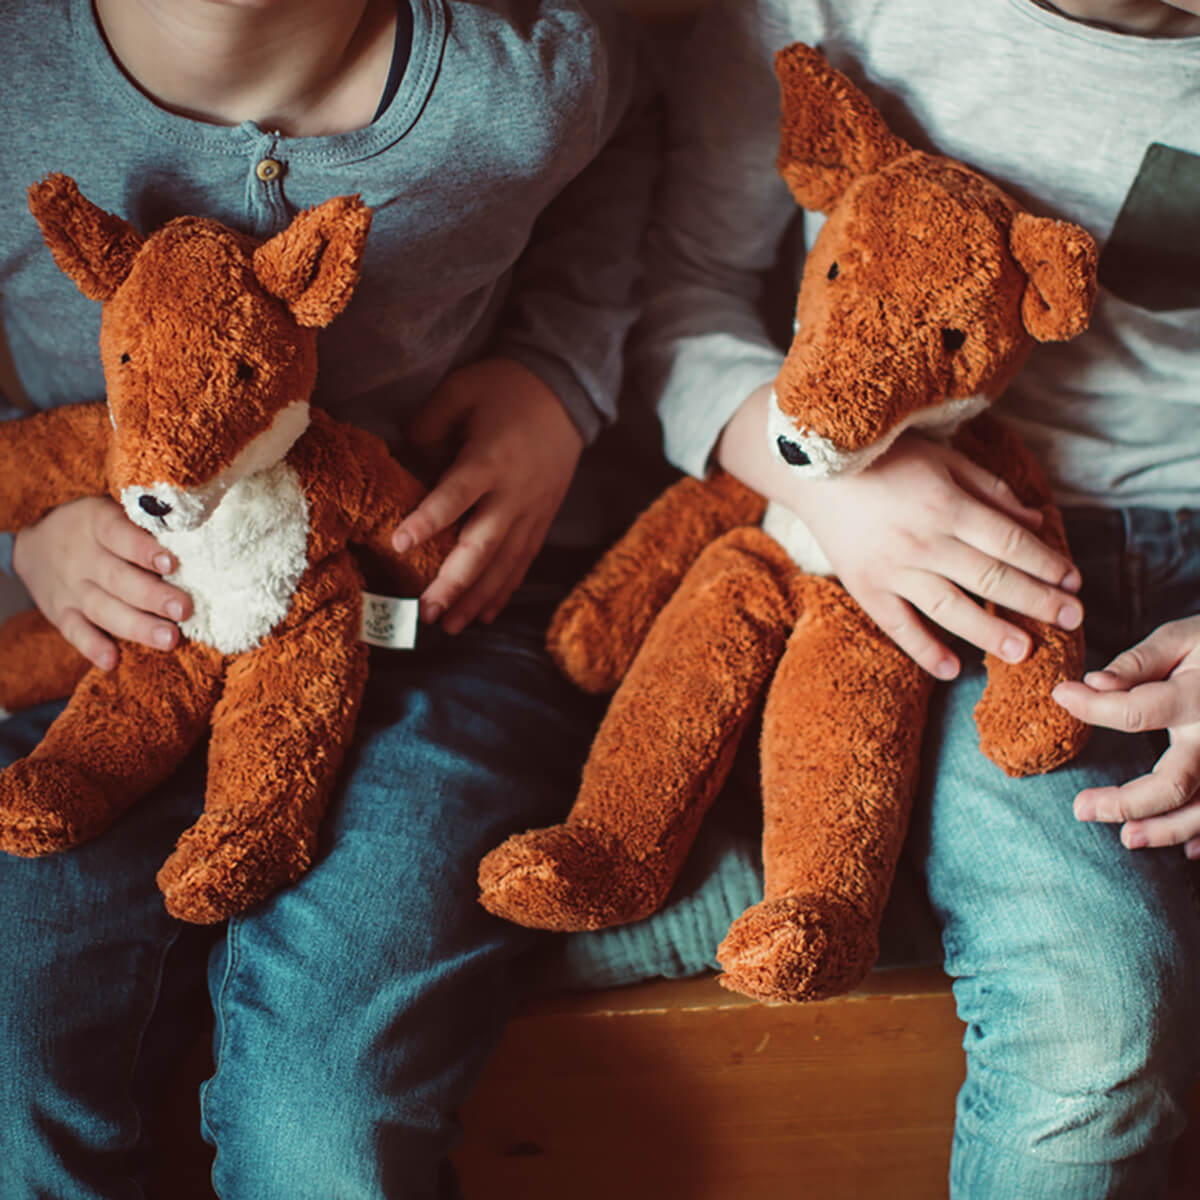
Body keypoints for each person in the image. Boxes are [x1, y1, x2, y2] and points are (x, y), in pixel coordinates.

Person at [0, 0, 656, 1196]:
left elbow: (634, 137)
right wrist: (32, 540)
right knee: (14, 1075)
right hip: (111, 636)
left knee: (325, 1124)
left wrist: (556, 380)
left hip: (437, 630)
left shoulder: (526, 77)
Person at [618, 0, 1200, 1195]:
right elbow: (678, 301)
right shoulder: (832, 13)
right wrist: (827, 484)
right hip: (938, 561)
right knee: (1091, 1014)